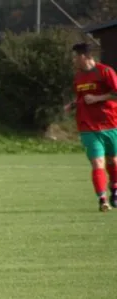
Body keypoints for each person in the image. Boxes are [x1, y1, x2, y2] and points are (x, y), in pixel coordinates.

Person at [66, 43, 117, 212]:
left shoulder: (105, 72)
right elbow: (81, 97)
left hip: (111, 124)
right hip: (88, 126)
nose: (73, 60)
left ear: (85, 56)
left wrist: (98, 98)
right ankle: (102, 200)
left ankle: (115, 189)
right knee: (97, 162)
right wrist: (73, 105)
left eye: (75, 56)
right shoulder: (78, 76)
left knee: (113, 161)